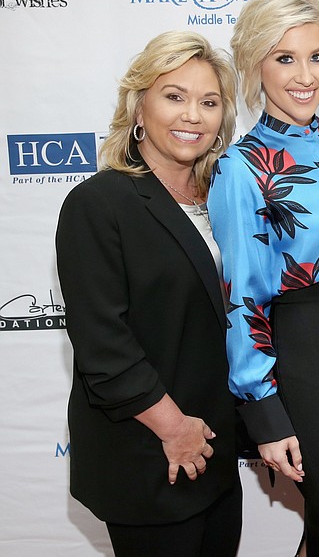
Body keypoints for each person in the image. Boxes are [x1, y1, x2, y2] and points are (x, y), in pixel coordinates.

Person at [207, 0, 319, 556]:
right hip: (302, 360)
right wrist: (262, 407)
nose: (305, 75)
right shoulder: (241, 166)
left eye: (317, 56)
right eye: (284, 58)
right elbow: (242, 295)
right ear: (256, 66)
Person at [55, 31, 241, 557]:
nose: (192, 115)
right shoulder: (99, 203)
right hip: (149, 451)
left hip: (213, 447)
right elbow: (102, 343)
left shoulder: (220, 198)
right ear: (140, 106)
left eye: (209, 102)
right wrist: (174, 428)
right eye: (174, 96)